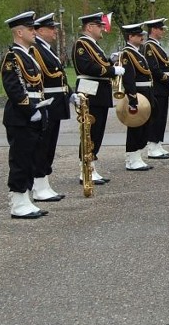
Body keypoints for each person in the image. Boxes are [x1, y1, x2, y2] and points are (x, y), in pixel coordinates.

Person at [1, 11, 49, 219]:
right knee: (20, 160)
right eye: (30, 29)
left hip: (34, 111)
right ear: (19, 32)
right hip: (21, 116)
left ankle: (26, 199)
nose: (34, 32)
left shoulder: (27, 55)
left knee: (31, 158)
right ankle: (18, 203)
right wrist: (30, 110)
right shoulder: (13, 57)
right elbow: (14, 88)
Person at [72, 12, 125, 184]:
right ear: (89, 27)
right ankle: (85, 169)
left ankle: (91, 166)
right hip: (90, 91)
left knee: (97, 131)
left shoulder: (93, 45)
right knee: (90, 131)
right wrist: (112, 70)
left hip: (98, 92)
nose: (102, 28)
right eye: (99, 25)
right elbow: (87, 66)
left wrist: (111, 60)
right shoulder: (82, 44)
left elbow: (99, 64)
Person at [28, 13, 73, 202]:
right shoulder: (35, 49)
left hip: (57, 100)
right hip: (48, 101)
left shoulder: (47, 49)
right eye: (51, 28)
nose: (55, 31)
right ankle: (39, 185)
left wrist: (71, 94)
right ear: (39, 31)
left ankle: (44, 183)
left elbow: (60, 76)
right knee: (43, 145)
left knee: (50, 145)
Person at [142, 18, 169, 159]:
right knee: (156, 117)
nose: (163, 31)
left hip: (162, 87)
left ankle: (158, 143)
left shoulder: (157, 46)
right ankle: (152, 146)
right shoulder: (149, 46)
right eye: (161, 29)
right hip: (157, 87)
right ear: (154, 30)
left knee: (162, 116)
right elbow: (154, 69)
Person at [121, 23, 156, 171]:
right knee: (136, 126)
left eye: (142, 35)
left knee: (144, 125)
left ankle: (137, 156)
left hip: (146, 91)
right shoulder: (127, 54)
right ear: (130, 37)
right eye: (138, 35)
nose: (142, 37)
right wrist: (132, 99)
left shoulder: (137, 52)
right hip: (138, 93)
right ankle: (131, 158)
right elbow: (128, 78)